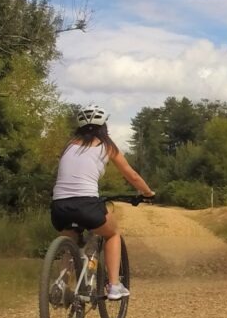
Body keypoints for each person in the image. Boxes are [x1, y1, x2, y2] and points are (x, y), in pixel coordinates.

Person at [50, 104, 155, 300]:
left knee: (70, 239)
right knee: (113, 233)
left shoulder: (68, 146)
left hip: (59, 207)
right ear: (103, 126)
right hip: (86, 204)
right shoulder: (106, 145)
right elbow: (131, 175)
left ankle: (61, 283)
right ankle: (114, 286)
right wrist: (148, 193)